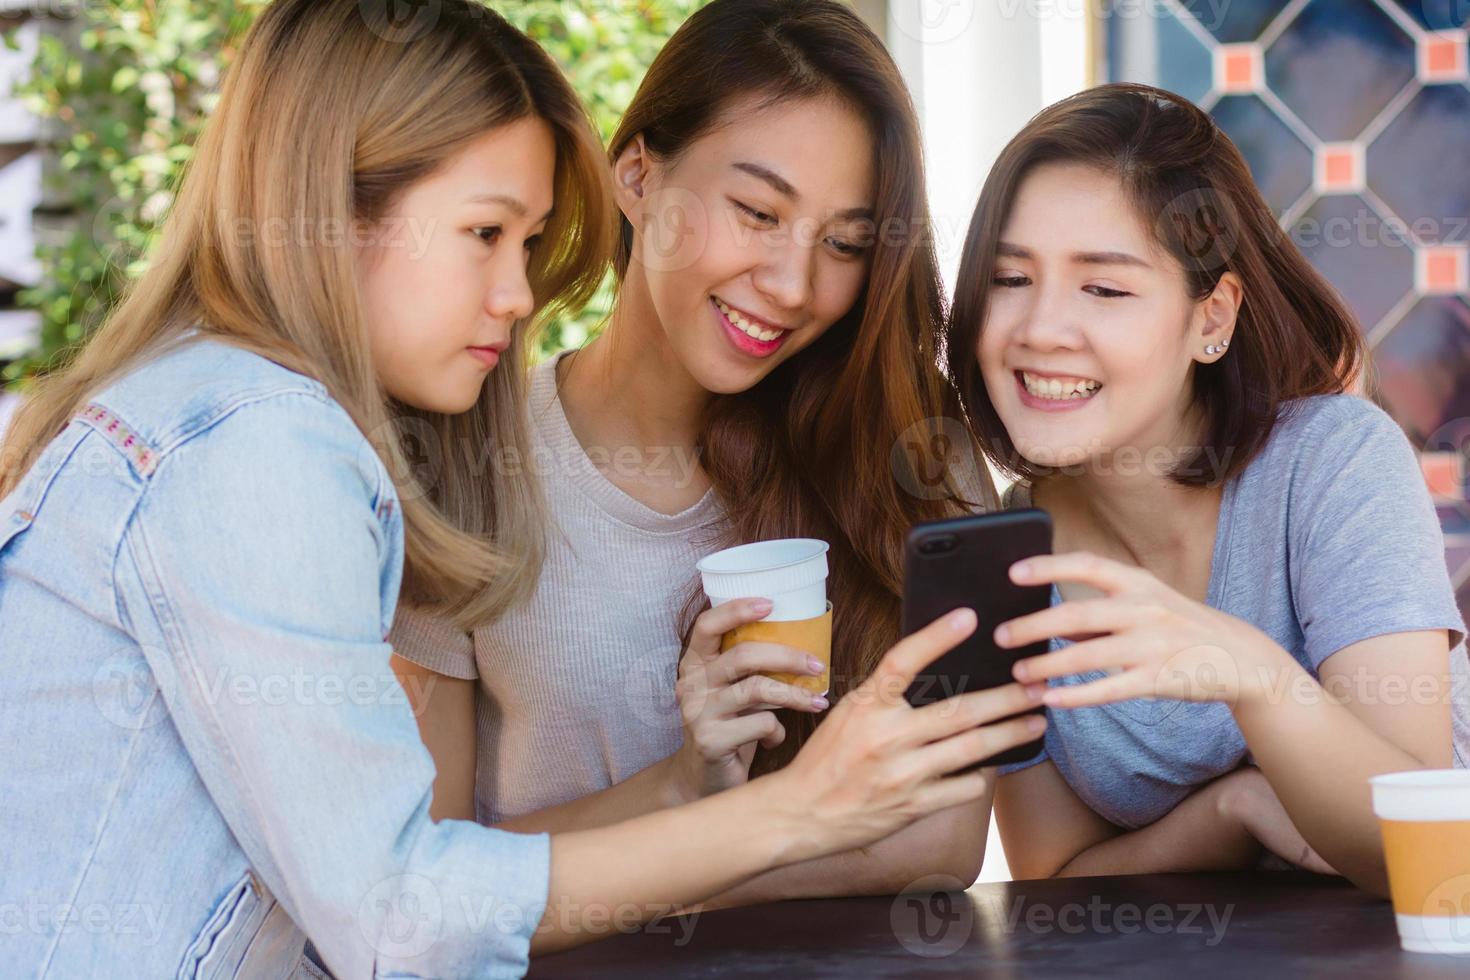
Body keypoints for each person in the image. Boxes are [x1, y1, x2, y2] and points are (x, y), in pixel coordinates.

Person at [0, 2, 1046, 976]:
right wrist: (802, 812)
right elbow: (402, 902)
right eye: (486, 234)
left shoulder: (230, 420)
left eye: (848, 244)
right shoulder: (270, 445)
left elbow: (939, 836)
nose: (518, 293)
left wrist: (695, 789)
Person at [391, 0, 1004, 910]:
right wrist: (687, 789)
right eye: (758, 211)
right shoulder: (467, 459)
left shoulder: (911, 454)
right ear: (636, 175)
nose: (795, 285)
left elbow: (942, 837)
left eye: (843, 243)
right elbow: (427, 870)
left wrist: (658, 859)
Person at [945, 82, 1470, 896]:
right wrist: (1232, 813)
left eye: (1105, 288)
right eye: (1010, 279)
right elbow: (1054, 880)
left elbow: (1425, 849)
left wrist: (1248, 671)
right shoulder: (1001, 563)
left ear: (1212, 319)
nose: (1039, 329)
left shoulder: (1331, 464)